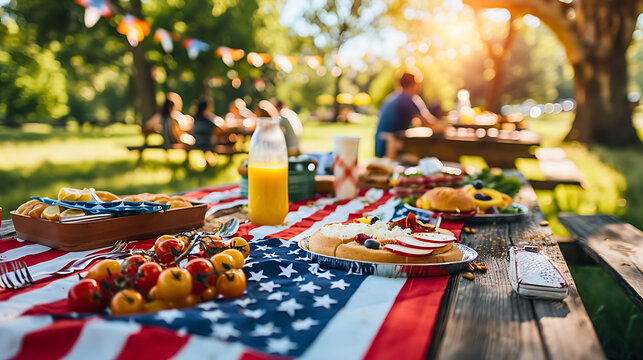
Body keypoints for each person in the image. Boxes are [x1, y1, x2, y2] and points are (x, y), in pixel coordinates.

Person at [374, 72, 442, 158]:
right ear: (414, 84)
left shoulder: (395, 96)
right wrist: (446, 128)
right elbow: (428, 123)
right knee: (421, 158)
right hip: (389, 148)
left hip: (380, 145)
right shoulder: (407, 98)